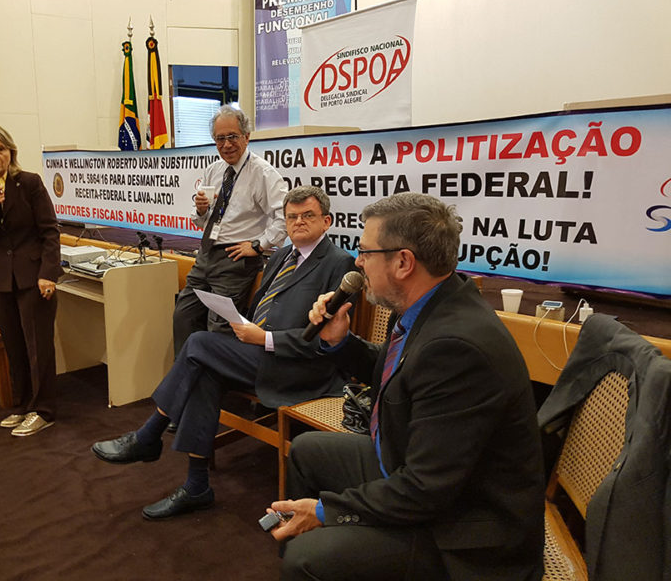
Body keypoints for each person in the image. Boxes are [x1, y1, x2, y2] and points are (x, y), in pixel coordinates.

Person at [268, 193, 545, 581]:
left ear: (403, 262)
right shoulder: (434, 305)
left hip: (465, 529)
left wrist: (323, 511)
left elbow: (424, 490)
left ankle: (313, 558)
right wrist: (339, 341)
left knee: (307, 559)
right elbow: (395, 372)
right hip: (419, 475)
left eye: (366, 252)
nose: (358, 263)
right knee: (307, 451)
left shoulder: (456, 348)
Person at [92, 186, 355, 520]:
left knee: (199, 343)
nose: (298, 222)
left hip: (300, 366)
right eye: (292, 217)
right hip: (260, 352)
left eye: (308, 216)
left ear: (326, 221)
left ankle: (149, 435)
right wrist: (241, 324)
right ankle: (196, 485)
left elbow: (323, 340)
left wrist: (264, 337)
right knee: (205, 369)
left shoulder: (339, 263)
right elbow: (263, 308)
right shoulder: (279, 257)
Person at [0, 122, 62, 437]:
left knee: (38, 347)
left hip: (34, 278)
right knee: (14, 347)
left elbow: (50, 232)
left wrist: (48, 274)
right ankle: (22, 405)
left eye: (0, 148)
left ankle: (43, 410)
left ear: (10, 152)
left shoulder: (29, 183)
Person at [173, 104, 287, 354]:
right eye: (220, 138)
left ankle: (216, 378)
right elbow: (202, 221)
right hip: (206, 254)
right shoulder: (214, 170)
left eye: (232, 137)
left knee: (219, 328)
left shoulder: (263, 173)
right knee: (183, 315)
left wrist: (258, 245)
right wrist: (201, 211)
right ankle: (186, 375)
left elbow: (284, 217)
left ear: (247, 136)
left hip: (235, 261)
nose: (226, 145)